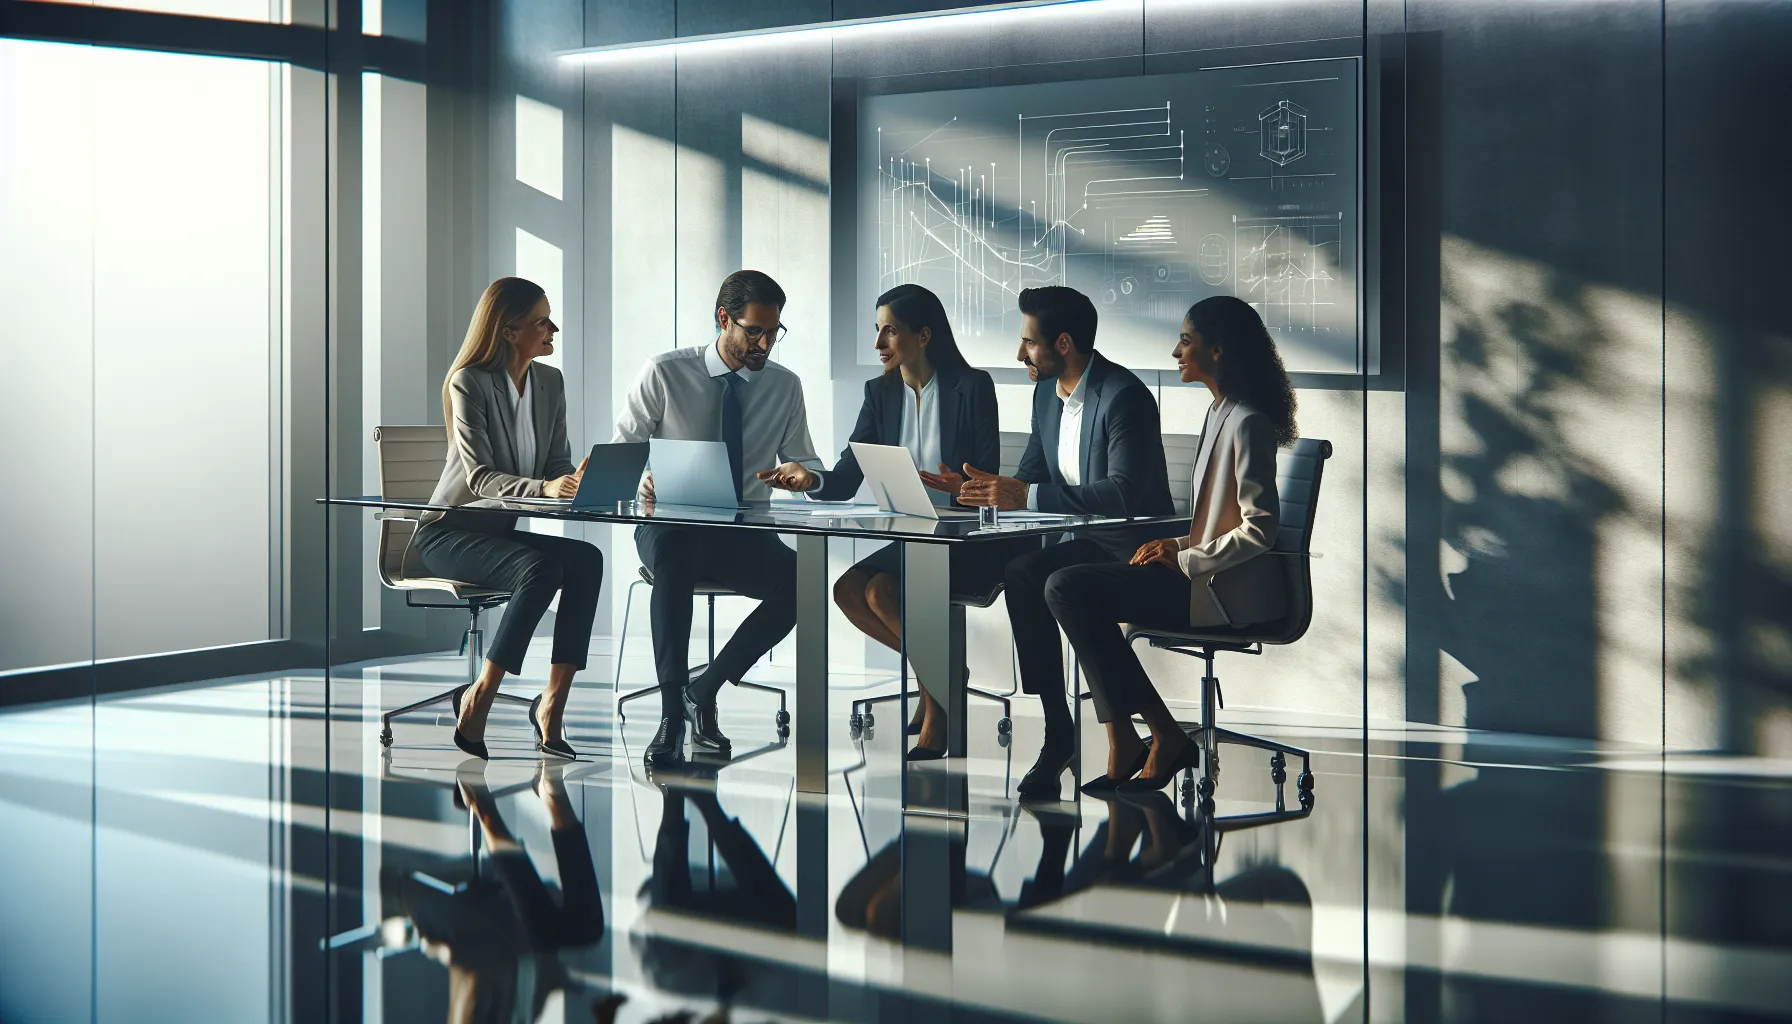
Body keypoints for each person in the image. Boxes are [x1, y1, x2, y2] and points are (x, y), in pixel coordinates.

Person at [761, 283, 1028, 760]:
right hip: (911, 530)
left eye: (890, 331)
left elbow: (985, 475)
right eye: (877, 330)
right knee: (847, 591)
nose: (879, 343)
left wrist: (959, 487)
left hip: (965, 535)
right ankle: (944, 675)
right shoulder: (879, 392)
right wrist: (809, 479)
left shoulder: (974, 387)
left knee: (880, 592)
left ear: (923, 336)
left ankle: (937, 711)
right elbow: (844, 477)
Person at [1043, 295, 1297, 791]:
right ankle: (1156, 733)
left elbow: (1260, 529)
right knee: (1065, 587)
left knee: (1068, 588)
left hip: (1221, 592)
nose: (1176, 352)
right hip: (1198, 575)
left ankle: (1157, 733)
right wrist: (1175, 543)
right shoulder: (1220, 412)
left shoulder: (1247, 423)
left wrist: (1184, 558)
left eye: (1185, 340)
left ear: (1218, 349)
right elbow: (1218, 521)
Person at [950, 285, 1176, 800]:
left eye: (1029, 343)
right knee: (1022, 573)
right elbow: (1031, 477)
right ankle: (1059, 730)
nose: (1019, 353)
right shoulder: (1043, 397)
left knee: (1058, 582)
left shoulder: (1124, 397)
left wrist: (1022, 493)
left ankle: (1121, 733)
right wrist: (978, 489)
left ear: (1065, 343)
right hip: (1087, 545)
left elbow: (1119, 494)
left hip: (1137, 551)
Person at [614, 270, 823, 768]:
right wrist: (643, 475)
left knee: (803, 583)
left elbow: (808, 463)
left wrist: (803, 477)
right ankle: (670, 713)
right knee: (677, 557)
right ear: (723, 319)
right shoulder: (665, 373)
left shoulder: (785, 387)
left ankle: (703, 690)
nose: (766, 342)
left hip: (744, 531)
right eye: (754, 331)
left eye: (775, 331)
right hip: (670, 525)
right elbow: (621, 453)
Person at [415, 277, 603, 761]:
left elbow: (555, 466)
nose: (553, 328)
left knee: (585, 560)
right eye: (542, 321)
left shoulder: (550, 382)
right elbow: (479, 478)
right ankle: (481, 697)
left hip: (498, 532)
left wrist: (577, 479)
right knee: (541, 569)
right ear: (508, 330)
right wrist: (544, 488)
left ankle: (551, 706)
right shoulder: (468, 382)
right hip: (447, 532)